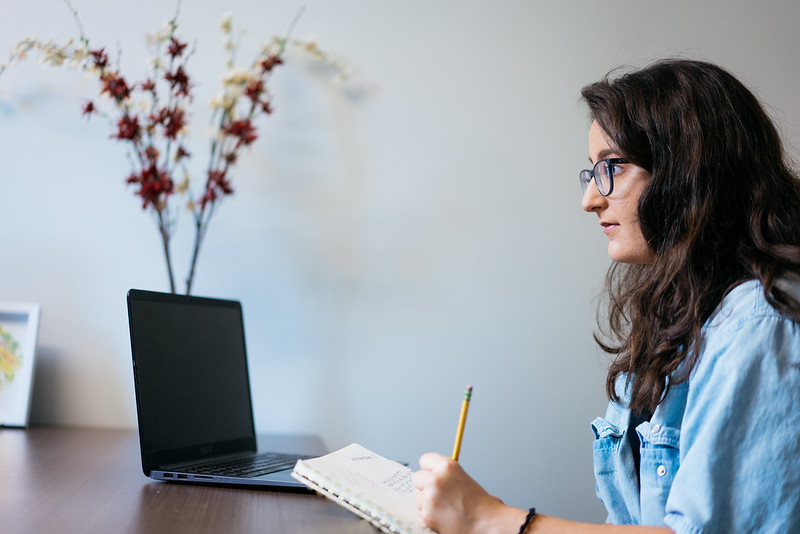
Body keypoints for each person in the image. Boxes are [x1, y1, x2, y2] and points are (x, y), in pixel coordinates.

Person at [412, 58, 800, 533]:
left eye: (611, 167)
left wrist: (495, 522)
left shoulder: (762, 322)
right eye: (591, 172)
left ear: (689, 169)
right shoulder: (677, 316)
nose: (590, 198)